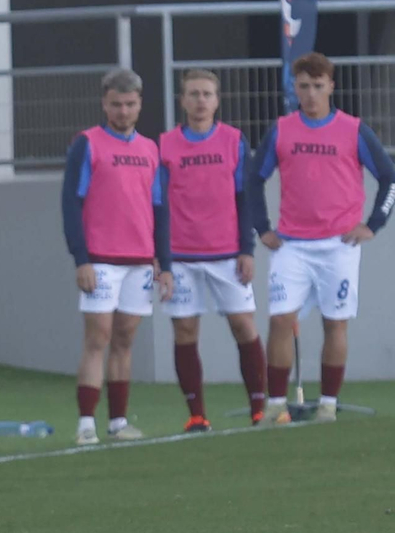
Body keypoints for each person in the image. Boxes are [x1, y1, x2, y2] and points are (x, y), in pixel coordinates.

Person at [249, 52, 395, 424]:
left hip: (339, 246)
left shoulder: (353, 129)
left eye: (318, 85)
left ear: (331, 85)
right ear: (294, 88)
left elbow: (388, 177)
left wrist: (373, 224)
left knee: (335, 323)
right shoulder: (282, 130)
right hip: (292, 246)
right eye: (303, 86)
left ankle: (328, 404)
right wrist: (261, 226)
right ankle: (278, 404)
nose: (311, 94)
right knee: (281, 320)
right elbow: (253, 178)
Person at [61, 68, 172, 447]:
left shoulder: (150, 150)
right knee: (98, 337)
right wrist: (82, 258)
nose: (123, 111)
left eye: (129, 104)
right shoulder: (87, 144)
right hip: (101, 260)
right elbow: (71, 204)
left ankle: (119, 421)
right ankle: (86, 423)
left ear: (140, 104)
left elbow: (159, 209)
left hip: (139, 261)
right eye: (116, 104)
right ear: (104, 104)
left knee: (125, 338)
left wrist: (164, 262)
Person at [157, 70, 266, 430]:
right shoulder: (166, 144)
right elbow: (158, 204)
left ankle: (258, 408)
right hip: (182, 256)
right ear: (183, 100)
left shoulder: (233, 141)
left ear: (217, 100)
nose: (200, 100)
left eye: (207, 94)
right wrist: (162, 259)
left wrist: (246, 249)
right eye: (193, 94)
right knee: (185, 332)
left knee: (243, 325)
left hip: (227, 253)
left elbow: (244, 197)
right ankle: (197, 415)